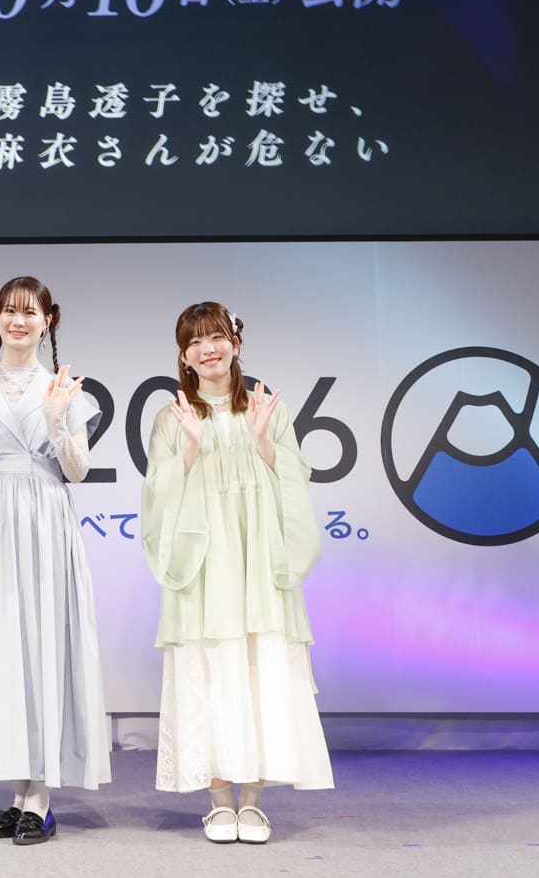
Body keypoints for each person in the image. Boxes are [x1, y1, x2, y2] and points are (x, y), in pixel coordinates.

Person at [140, 302, 332, 845]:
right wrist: (191, 448)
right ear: (184, 357)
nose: (208, 349)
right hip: (206, 567)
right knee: (213, 674)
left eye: (217, 337)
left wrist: (264, 439)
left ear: (235, 344)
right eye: (195, 342)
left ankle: (253, 803)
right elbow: (156, 498)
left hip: (258, 560)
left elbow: (294, 482)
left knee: (259, 671)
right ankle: (220, 802)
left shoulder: (270, 409)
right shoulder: (173, 418)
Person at [0, 277, 111, 845]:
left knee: (43, 647)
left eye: (29, 312)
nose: (18, 320)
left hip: (44, 519)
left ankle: (40, 799)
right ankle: (19, 795)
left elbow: (77, 472)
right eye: (9, 311)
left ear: (47, 321)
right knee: (1, 651)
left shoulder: (63, 389)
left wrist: (58, 420)